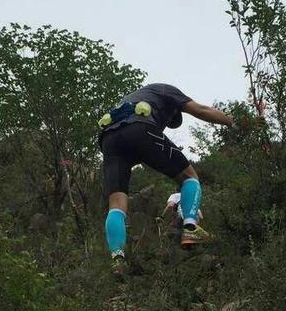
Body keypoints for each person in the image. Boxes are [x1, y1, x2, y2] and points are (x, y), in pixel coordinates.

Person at [98, 82, 234, 268]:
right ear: (174, 109)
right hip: (139, 126)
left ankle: (118, 259)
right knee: (189, 178)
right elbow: (201, 110)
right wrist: (230, 120)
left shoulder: (139, 97)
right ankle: (190, 227)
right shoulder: (166, 90)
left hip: (109, 137)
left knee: (116, 204)